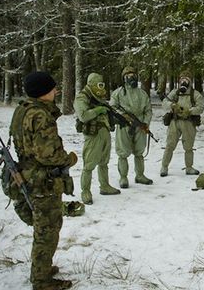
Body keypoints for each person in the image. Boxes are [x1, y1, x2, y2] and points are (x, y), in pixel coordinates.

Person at [10, 71, 77, 290]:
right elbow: (47, 154)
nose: (56, 91)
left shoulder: (23, 110)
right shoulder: (39, 115)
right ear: (43, 92)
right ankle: (41, 280)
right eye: (53, 88)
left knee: (43, 228)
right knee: (47, 230)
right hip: (42, 181)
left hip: (28, 175)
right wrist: (69, 159)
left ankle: (42, 268)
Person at [73, 73, 120, 204]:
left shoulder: (98, 97)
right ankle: (85, 191)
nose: (101, 87)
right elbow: (83, 115)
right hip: (93, 135)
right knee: (89, 164)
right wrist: (98, 110)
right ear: (91, 84)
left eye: (102, 85)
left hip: (104, 131)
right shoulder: (82, 97)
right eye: (99, 85)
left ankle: (104, 186)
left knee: (104, 161)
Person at [110, 66, 154, 187]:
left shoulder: (142, 94)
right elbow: (112, 107)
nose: (131, 78)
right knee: (123, 152)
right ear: (123, 78)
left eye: (133, 76)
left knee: (139, 151)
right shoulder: (118, 93)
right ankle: (123, 177)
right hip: (124, 126)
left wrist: (145, 123)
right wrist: (124, 116)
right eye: (128, 76)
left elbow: (148, 110)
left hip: (140, 126)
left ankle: (140, 175)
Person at [160, 71, 204, 176]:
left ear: (190, 81)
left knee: (188, 147)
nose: (184, 81)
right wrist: (172, 105)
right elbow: (164, 103)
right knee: (170, 145)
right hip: (174, 122)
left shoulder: (195, 94)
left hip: (188, 122)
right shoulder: (175, 92)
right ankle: (164, 167)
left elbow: (200, 108)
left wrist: (189, 111)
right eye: (182, 79)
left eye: (187, 79)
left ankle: (189, 167)